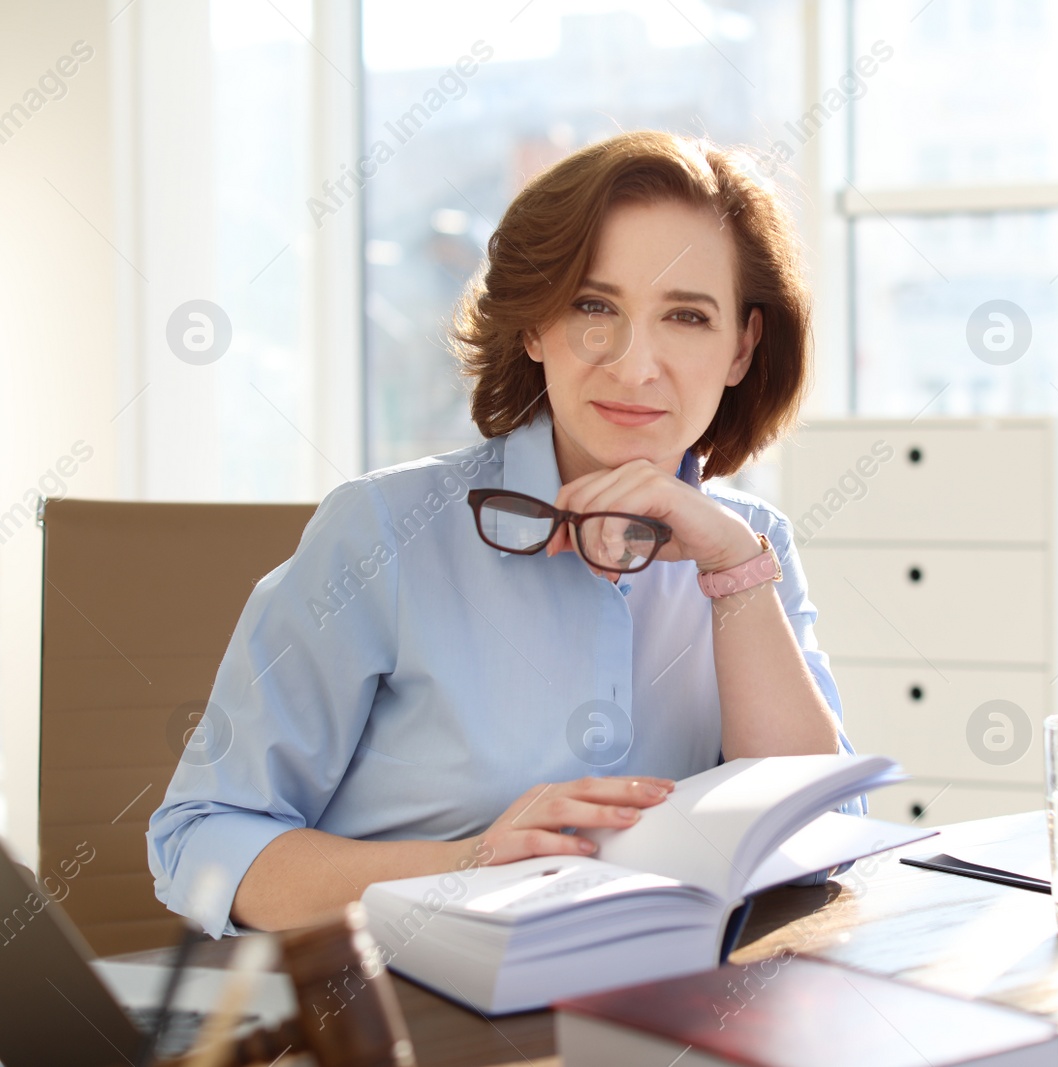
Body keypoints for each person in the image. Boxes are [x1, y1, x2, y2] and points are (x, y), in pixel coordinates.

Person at [148, 130, 861, 937]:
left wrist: (736, 569)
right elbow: (201, 842)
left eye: (687, 316)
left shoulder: (751, 543)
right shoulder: (381, 530)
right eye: (595, 307)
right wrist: (469, 864)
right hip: (399, 1015)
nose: (635, 366)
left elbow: (816, 840)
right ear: (532, 326)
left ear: (741, 347)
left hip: (652, 1014)